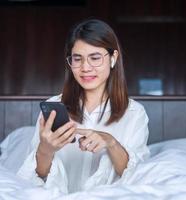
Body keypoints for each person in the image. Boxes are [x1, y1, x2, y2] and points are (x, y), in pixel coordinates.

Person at [17, 19, 149, 195]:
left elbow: (135, 176)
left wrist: (111, 142)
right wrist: (45, 150)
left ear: (113, 58)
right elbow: (35, 179)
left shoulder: (134, 113)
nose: (85, 68)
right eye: (77, 59)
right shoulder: (54, 107)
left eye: (95, 58)